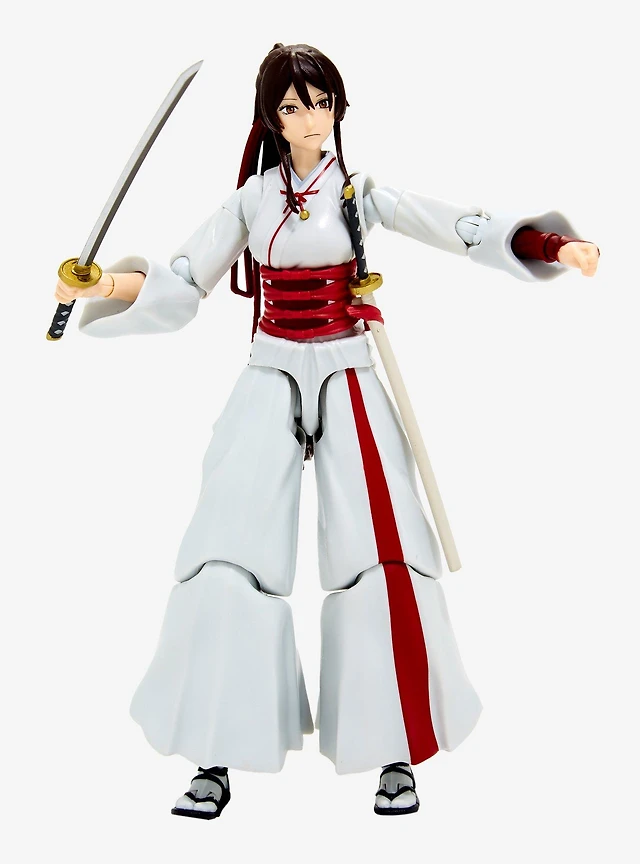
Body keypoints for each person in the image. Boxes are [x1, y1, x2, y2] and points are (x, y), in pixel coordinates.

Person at [55, 43, 599, 819]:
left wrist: (548, 245)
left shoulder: (358, 193)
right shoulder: (252, 200)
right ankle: (215, 754)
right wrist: (102, 283)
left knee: (382, 554)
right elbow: (183, 277)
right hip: (271, 370)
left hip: (349, 372)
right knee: (227, 552)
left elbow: (455, 226)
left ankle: (394, 751)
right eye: (292, 106)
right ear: (272, 119)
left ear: (339, 106)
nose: (310, 118)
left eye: (319, 102)